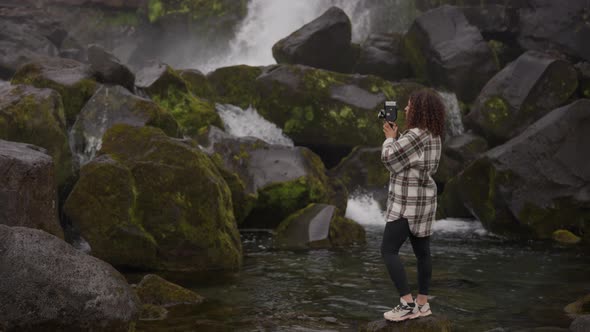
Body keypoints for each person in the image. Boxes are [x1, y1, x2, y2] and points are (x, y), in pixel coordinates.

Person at [380, 88, 444, 322]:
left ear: (419, 109)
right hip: (425, 202)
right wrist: (398, 140)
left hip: (407, 203)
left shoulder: (416, 134)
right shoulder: (433, 133)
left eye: (409, 105)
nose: (405, 109)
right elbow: (409, 160)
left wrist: (389, 139)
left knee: (388, 250)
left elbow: (390, 159)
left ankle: (406, 303)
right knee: (423, 253)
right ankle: (422, 304)